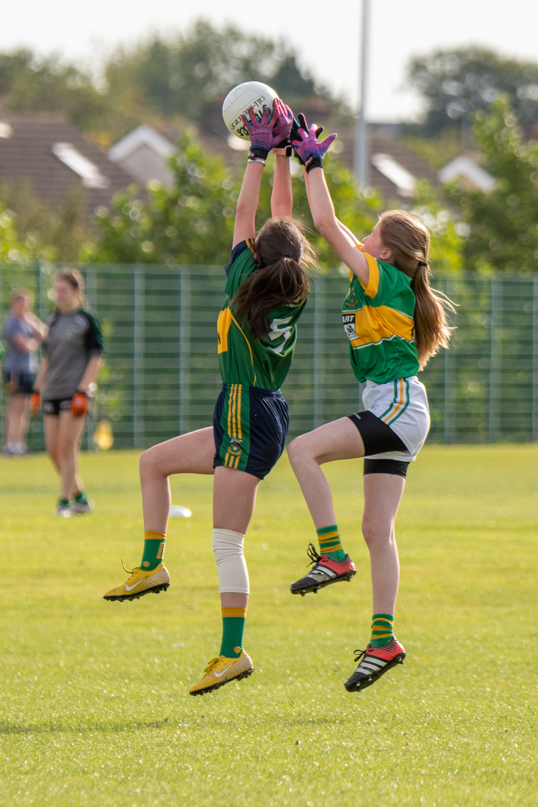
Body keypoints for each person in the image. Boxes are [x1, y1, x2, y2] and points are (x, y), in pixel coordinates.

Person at [103, 100, 317, 696]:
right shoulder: (291, 285)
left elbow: (251, 212)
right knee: (154, 463)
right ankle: (151, 566)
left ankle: (231, 654)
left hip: (248, 408)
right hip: (249, 408)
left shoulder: (241, 283)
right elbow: (275, 219)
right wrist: (283, 157)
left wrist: (256, 152)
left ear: (256, 254)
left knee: (226, 542)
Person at [287, 120, 454, 693]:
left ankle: (331, 555)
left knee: (302, 450)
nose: (361, 236)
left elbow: (327, 224)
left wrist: (311, 163)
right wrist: (295, 156)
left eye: (372, 232)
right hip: (402, 410)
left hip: (397, 407)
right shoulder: (383, 275)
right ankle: (383, 640)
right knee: (377, 530)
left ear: (383, 249)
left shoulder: (380, 277)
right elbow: (337, 226)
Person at [32, 269, 104, 517]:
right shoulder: (53, 321)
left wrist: (82, 390)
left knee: (66, 446)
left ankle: (64, 502)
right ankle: (80, 497)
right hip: (52, 391)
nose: (58, 295)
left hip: (74, 393)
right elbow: (47, 359)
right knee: (53, 450)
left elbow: (96, 358)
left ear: (77, 291)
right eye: (56, 290)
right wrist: (36, 390)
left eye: (63, 290)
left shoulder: (86, 320)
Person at [2, 290, 46, 454]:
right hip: (15, 370)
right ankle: (9, 443)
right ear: (14, 303)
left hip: (28, 369)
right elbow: (25, 346)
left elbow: (44, 334)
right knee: (14, 406)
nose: (25, 307)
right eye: (22, 303)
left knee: (25, 408)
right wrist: (36, 342)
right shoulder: (11, 322)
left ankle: (19, 443)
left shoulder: (27, 320)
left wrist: (31, 319)